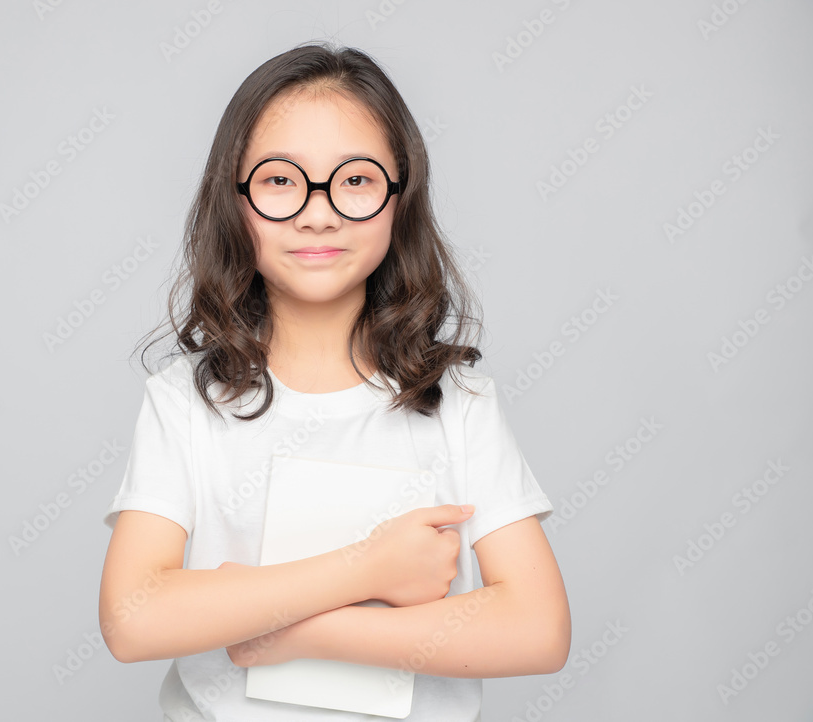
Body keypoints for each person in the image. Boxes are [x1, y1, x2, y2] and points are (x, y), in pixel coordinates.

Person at [98, 40, 570, 721]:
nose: (318, 213)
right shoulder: (186, 403)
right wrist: (365, 568)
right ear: (234, 198)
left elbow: (538, 630)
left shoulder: (459, 406)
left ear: (399, 198)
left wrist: (300, 630)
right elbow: (132, 619)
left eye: (354, 180)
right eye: (281, 180)